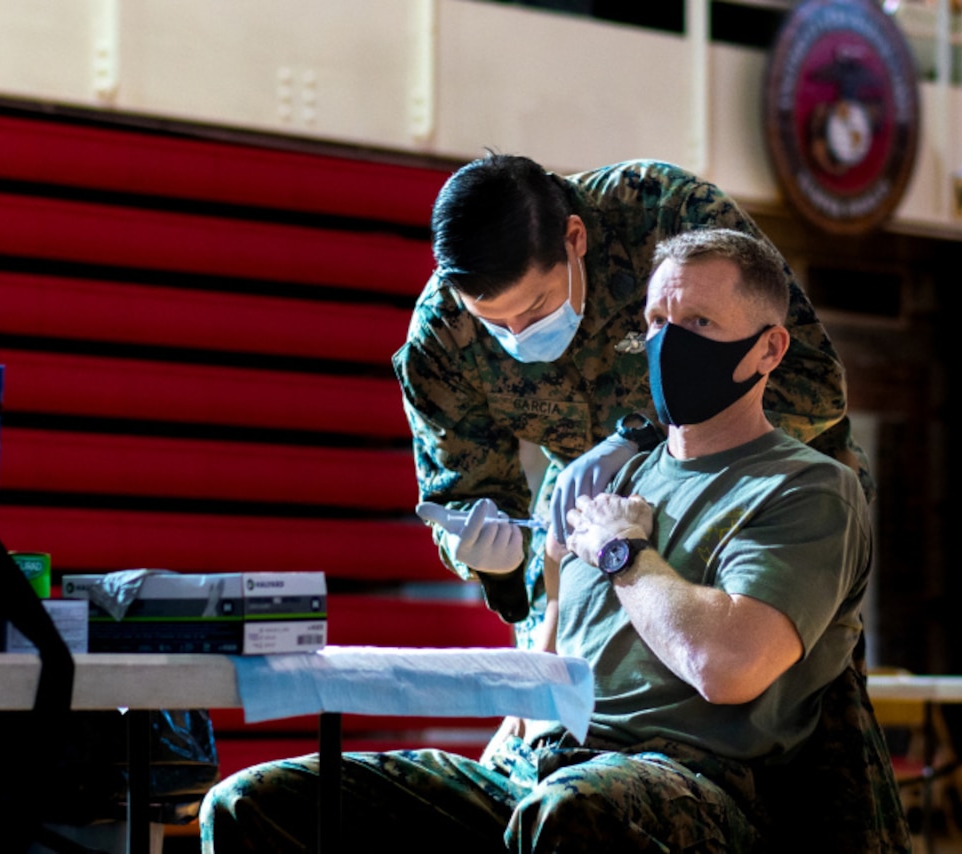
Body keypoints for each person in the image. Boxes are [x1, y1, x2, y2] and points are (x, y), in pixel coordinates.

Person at [200, 228, 878, 852]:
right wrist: (504, 753)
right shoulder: (606, 483)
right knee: (255, 804)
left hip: (691, 784)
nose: (669, 344)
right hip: (543, 772)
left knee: (570, 813)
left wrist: (625, 554)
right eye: (655, 323)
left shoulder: (805, 490)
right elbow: (549, 665)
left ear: (769, 348)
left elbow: (726, 666)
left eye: (698, 323)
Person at [396, 154, 870, 648]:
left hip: (760, 486)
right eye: (497, 324)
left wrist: (640, 446)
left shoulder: (661, 213)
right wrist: (482, 552)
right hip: (591, 508)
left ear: (575, 238)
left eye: (536, 307)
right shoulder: (443, 334)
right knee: (557, 686)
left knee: (775, 683)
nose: (519, 333)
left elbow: (811, 385)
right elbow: (462, 491)